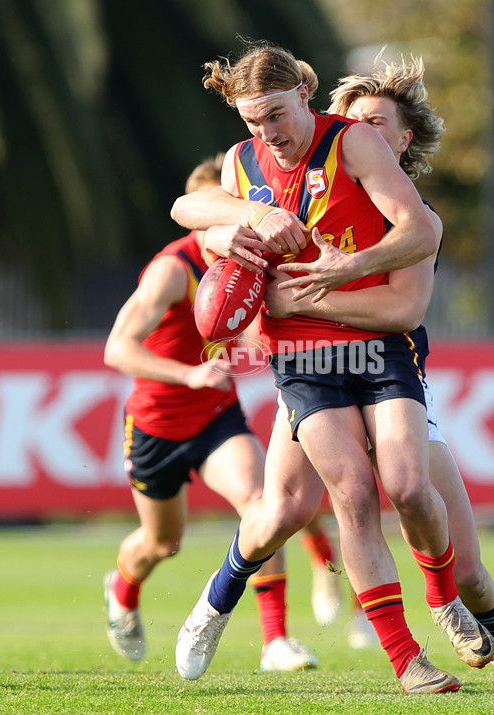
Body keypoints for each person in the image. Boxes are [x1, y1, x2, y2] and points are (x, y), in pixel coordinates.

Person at [173, 41, 494, 695]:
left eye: (276, 114)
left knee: (406, 486)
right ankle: (406, 659)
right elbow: (186, 209)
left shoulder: (351, 143)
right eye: (252, 121)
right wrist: (244, 218)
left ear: (303, 94)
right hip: (301, 355)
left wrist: (343, 268)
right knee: (344, 494)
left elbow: (422, 230)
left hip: (379, 347)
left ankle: (444, 602)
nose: (269, 132)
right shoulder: (243, 164)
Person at [264, 54, 494, 687]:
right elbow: (205, 215)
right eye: (348, 122)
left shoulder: (416, 221)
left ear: (403, 140)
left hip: (390, 377)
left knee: (459, 557)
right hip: (311, 376)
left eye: (376, 124)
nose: (357, 135)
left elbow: (403, 312)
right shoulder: (294, 199)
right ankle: (235, 614)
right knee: (287, 509)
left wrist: (309, 292)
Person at [102, 154, 318, 672]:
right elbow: (117, 349)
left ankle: (275, 641)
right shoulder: (171, 272)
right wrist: (188, 374)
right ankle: (123, 591)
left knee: (259, 502)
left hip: (216, 417)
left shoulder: (248, 258)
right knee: (162, 542)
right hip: (156, 424)